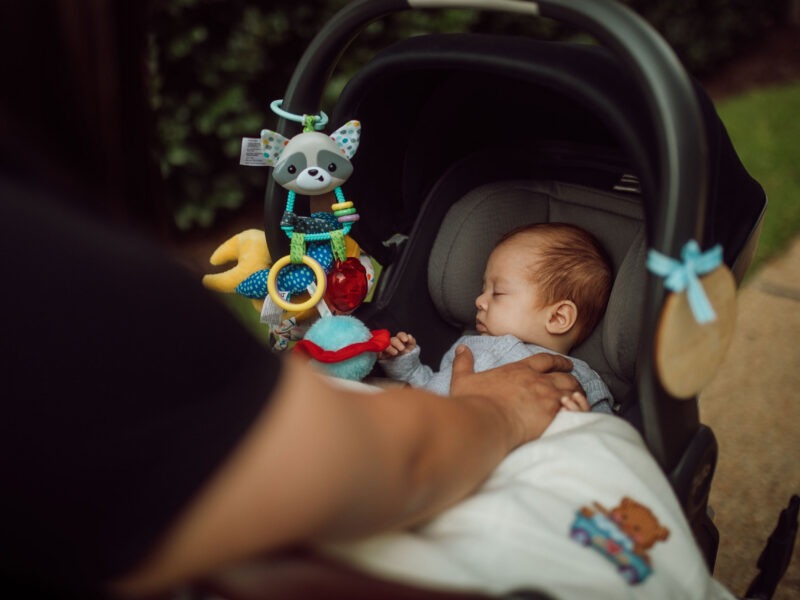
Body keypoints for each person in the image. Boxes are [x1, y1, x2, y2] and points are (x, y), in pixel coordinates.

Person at [379, 223, 614, 413]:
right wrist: (406, 366)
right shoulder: (468, 348)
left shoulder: (579, 379)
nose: (479, 301)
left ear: (558, 317)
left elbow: (605, 445)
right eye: (484, 289)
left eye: (498, 292)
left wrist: (580, 425)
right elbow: (433, 391)